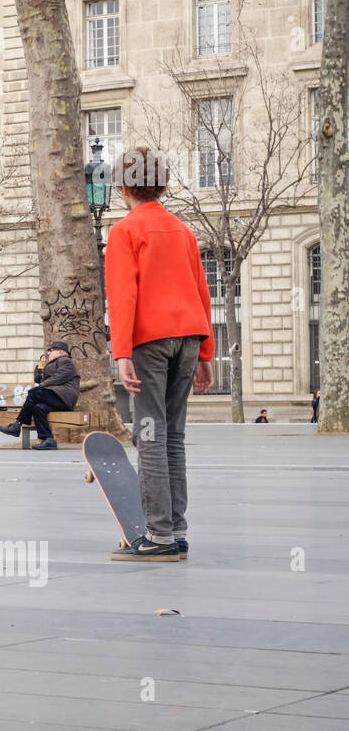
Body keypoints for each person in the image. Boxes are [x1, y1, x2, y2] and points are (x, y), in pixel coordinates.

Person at [105, 146, 214, 562]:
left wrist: (122, 353)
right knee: (173, 437)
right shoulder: (183, 231)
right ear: (161, 184)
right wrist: (205, 353)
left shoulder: (126, 231)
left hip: (150, 342)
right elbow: (201, 294)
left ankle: (159, 535)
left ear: (122, 186)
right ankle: (178, 530)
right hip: (188, 337)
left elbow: (123, 295)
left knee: (148, 434)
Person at [0, 342, 80, 450]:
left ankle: (16, 425)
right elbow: (43, 380)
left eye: (51, 350)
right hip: (57, 397)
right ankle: (48, 439)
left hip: (63, 397)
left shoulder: (65, 361)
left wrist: (42, 385)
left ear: (60, 352)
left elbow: (60, 377)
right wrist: (40, 372)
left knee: (33, 394)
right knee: (38, 408)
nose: (48, 352)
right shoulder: (55, 363)